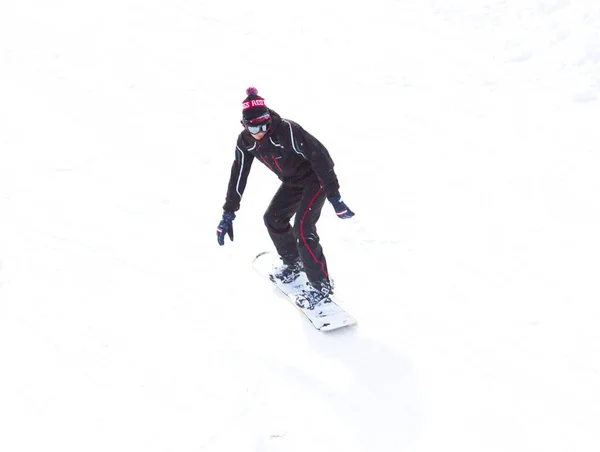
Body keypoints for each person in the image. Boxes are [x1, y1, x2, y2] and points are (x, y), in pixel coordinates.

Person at [216, 87, 355, 301]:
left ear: (268, 118)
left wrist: (334, 196)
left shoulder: (287, 130)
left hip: (315, 180)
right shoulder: (246, 141)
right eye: (254, 128)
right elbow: (238, 175)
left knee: (303, 227)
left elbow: (322, 158)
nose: (260, 131)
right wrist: (229, 212)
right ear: (245, 126)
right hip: (292, 182)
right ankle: (293, 262)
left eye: (264, 124)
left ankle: (321, 287)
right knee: (273, 219)